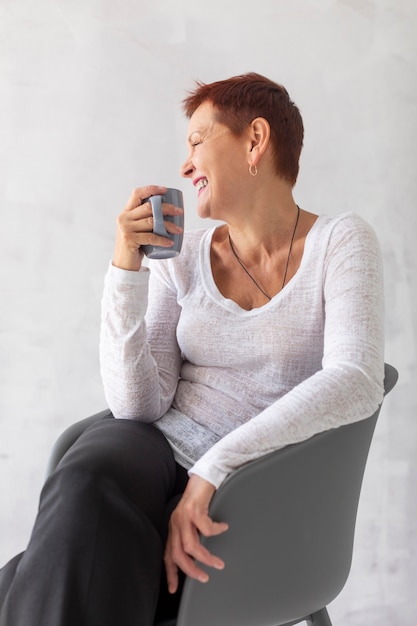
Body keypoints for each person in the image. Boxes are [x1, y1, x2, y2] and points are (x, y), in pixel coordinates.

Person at [0, 72, 384, 625]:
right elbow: (140, 407)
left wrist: (214, 469)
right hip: (150, 455)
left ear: (255, 141)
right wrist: (126, 266)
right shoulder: (180, 258)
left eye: (198, 142)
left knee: (40, 575)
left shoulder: (341, 243)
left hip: (257, 484)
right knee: (87, 478)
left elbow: (355, 379)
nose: (184, 165)